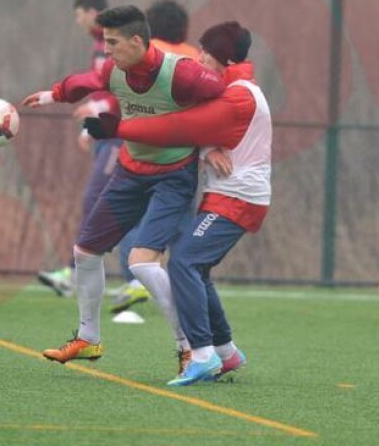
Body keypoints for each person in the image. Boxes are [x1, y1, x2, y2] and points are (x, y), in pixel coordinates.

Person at [20, 6, 225, 369]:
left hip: (173, 177)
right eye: (105, 42)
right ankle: (88, 340)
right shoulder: (114, 70)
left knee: (142, 264)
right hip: (130, 173)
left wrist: (214, 145)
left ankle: (187, 346)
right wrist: (50, 95)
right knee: (85, 252)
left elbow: (222, 97)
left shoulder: (180, 73)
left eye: (113, 43)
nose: (108, 50)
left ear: (136, 41)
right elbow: (84, 82)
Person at [85, 21, 267, 385]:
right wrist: (210, 147)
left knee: (183, 261)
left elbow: (179, 128)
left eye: (206, 53)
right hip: (225, 196)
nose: (198, 57)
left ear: (224, 59)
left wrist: (117, 129)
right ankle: (227, 353)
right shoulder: (229, 90)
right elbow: (203, 129)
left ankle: (201, 354)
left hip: (239, 198)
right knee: (194, 267)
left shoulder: (239, 95)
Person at [36, 0, 133, 298]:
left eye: (78, 14)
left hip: (119, 136)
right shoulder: (101, 43)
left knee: (98, 201)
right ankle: (95, 274)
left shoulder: (110, 42)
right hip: (110, 133)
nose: (77, 21)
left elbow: (117, 88)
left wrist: (98, 112)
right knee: (108, 203)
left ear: (92, 12)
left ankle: (89, 274)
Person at [107, 0, 200, 313]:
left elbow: (117, 93)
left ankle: (137, 279)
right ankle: (186, 278)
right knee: (181, 220)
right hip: (184, 158)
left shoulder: (146, 55)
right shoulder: (193, 58)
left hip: (143, 157)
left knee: (136, 218)